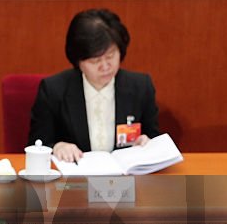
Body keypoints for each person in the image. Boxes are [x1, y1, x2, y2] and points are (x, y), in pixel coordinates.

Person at [29, 9, 159, 162]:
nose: (105, 66)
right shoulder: (53, 90)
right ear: (79, 62)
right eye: (95, 61)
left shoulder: (141, 87)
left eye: (110, 56)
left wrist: (148, 143)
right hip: (74, 182)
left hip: (126, 181)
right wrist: (57, 147)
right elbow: (36, 145)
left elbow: (154, 139)